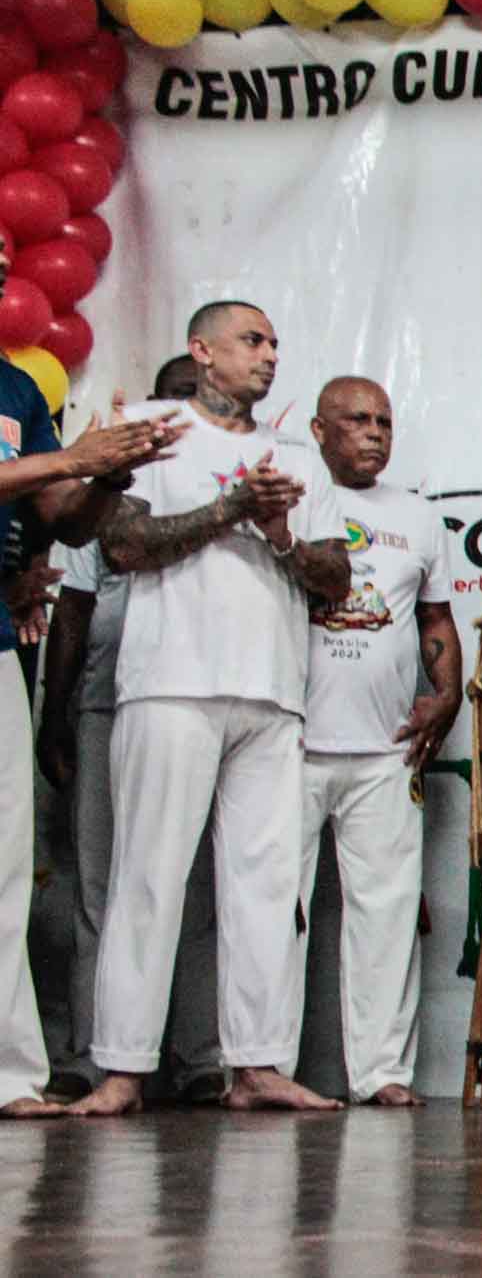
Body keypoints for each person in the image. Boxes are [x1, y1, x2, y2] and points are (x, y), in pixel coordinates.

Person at [70, 300, 352, 1117]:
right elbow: (122, 545)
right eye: (251, 341)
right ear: (202, 350)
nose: (269, 356)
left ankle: (258, 1065)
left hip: (272, 691)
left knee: (265, 886)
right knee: (148, 878)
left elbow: (334, 579)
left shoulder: (296, 457)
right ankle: (120, 1069)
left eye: (274, 343)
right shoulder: (153, 430)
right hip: (170, 683)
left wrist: (278, 530)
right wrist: (229, 509)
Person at [40, 356, 225, 1105]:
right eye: (169, 399)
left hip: (197, 698)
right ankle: (93, 1053)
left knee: (201, 889)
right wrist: (56, 712)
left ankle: (199, 1056)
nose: (179, 413)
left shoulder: (232, 482)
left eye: (191, 400)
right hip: (109, 699)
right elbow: (75, 608)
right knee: (104, 885)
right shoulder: (111, 485)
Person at [286, 377, 460, 1107]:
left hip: (386, 746)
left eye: (384, 421)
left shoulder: (416, 517)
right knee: (274, 911)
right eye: (356, 420)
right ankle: (259, 1065)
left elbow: (437, 623)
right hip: (287, 740)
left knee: (387, 915)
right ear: (319, 430)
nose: (374, 433)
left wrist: (447, 695)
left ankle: (382, 1072)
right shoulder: (287, 496)